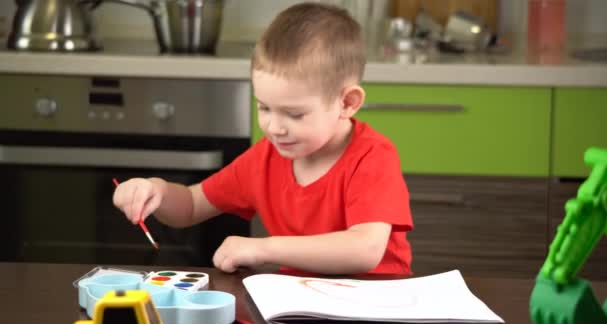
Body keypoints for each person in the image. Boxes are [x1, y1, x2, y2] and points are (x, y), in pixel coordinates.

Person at [113, 2, 413, 276]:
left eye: (295, 114)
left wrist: (263, 248)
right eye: (264, 107)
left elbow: (365, 250)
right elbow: (192, 205)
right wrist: (157, 191)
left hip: (375, 310)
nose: (275, 127)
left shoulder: (372, 156)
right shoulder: (265, 158)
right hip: (299, 309)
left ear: (347, 103)